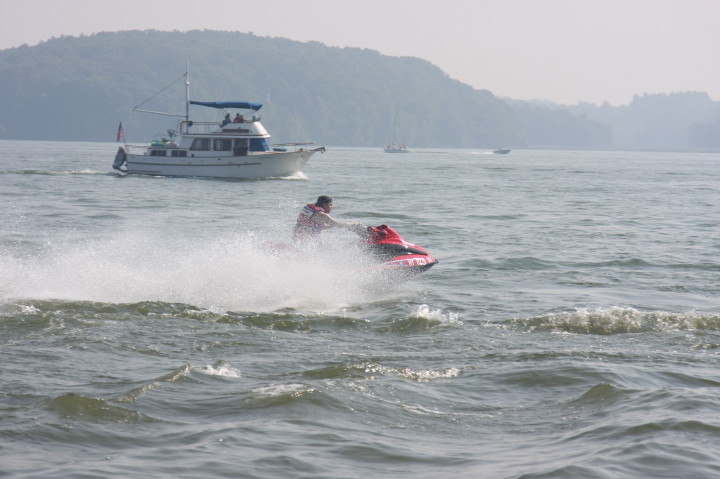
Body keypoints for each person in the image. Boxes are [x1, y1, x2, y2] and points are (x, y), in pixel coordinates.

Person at [293, 195, 363, 241]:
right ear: (324, 204)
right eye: (330, 205)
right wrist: (354, 224)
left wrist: (331, 226)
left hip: (297, 237)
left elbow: (316, 226)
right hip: (307, 241)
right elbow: (338, 224)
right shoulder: (322, 215)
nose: (332, 207)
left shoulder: (309, 210)